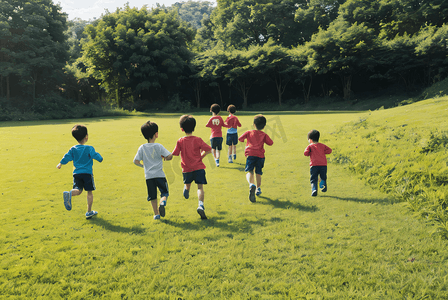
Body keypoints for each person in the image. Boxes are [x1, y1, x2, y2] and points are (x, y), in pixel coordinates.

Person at [57, 124, 103, 219]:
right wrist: (100, 158)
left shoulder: (73, 149)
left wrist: (60, 163)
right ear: (86, 136)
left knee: (78, 190)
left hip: (77, 173)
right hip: (87, 173)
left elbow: (67, 157)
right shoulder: (89, 148)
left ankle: (70, 193)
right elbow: (96, 156)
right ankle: (89, 211)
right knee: (89, 192)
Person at [172, 115, 212, 219]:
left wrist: (165, 156)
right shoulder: (198, 139)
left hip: (186, 169)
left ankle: (186, 189)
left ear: (182, 129)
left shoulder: (180, 141)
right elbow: (208, 149)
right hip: (199, 168)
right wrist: (201, 157)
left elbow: (175, 154)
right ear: (194, 127)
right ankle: (201, 205)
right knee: (200, 187)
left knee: (187, 183)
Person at [134, 121, 173, 220]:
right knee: (164, 192)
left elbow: (136, 161)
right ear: (156, 134)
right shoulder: (158, 146)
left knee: (152, 196)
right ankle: (163, 201)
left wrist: (143, 166)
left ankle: (156, 214)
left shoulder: (142, 147)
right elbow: (170, 156)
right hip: (160, 175)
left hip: (149, 176)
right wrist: (165, 157)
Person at [238, 114, 274, 203]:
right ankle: (258, 188)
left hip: (250, 154)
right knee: (258, 172)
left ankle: (251, 184)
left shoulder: (249, 132)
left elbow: (240, 139)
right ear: (264, 126)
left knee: (250, 171)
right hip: (260, 155)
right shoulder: (264, 134)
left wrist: (246, 141)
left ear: (254, 124)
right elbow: (270, 143)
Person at [303, 129, 332, 197]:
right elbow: (329, 150)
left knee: (314, 178)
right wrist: (323, 152)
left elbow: (305, 153)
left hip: (314, 165)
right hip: (323, 165)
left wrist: (310, 153)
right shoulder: (322, 145)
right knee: (323, 177)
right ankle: (323, 187)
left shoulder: (310, 146)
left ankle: (314, 190)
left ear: (310, 140)